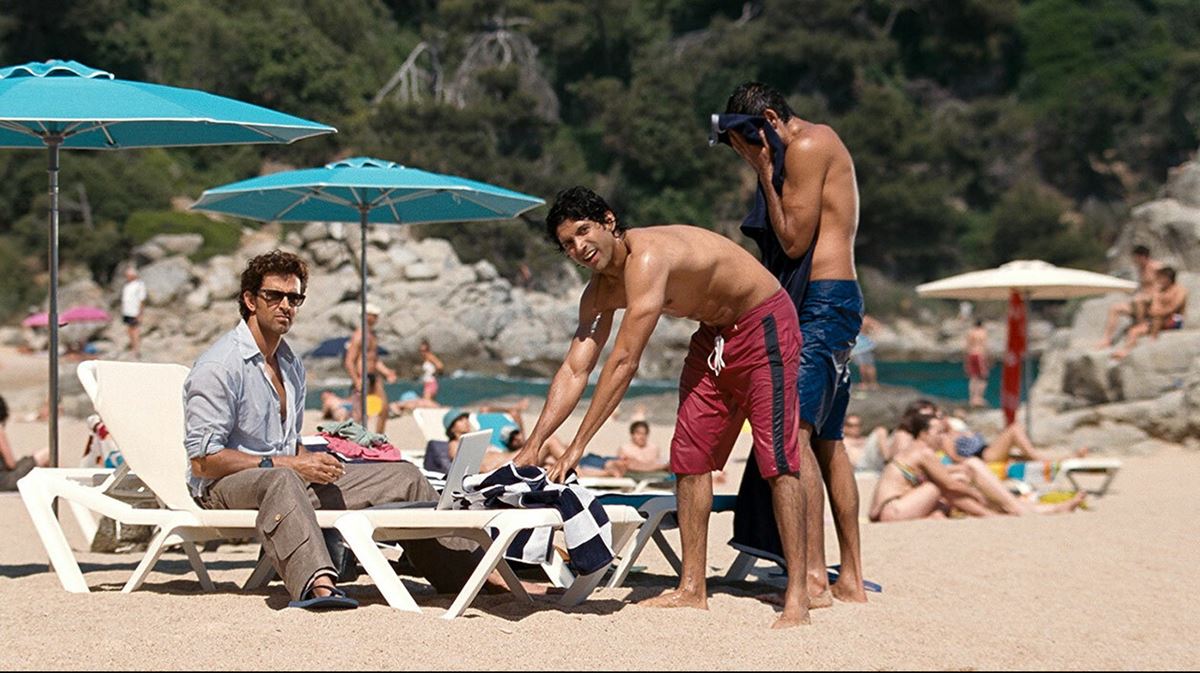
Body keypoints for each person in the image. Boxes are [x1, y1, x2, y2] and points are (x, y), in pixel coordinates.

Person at [511, 186, 812, 628]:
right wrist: (535, 444)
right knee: (689, 457)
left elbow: (624, 361)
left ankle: (798, 594)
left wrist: (578, 445)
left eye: (584, 231)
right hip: (713, 336)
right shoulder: (598, 293)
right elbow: (576, 368)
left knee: (778, 461)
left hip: (762, 320)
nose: (579, 247)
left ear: (609, 222)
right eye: (568, 243)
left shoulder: (647, 258)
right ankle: (692, 588)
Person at [184, 250, 486, 611]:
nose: (285, 306)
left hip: (283, 479)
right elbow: (204, 462)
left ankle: (468, 575)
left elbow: (286, 445)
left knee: (402, 475)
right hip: (222, 487)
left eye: (294, 298)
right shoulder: (219, 366)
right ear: (250, 300)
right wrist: (290, 464)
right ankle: (319, 586)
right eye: (274, 296)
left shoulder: (289, 363)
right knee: (283, 479)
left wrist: (314, 461)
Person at [721, 81, 866, 605]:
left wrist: (763, 171)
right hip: (836, 302)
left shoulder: (805, 145)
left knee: (795, 435)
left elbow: (793, 239)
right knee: (828, 441)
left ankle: (814, 578)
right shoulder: (820, 142)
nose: (747, 153)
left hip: (820, 303)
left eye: (747, 142)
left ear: (769, 122)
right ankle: (850, 577)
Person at [867, 412, 1084, 522]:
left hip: (893, 509)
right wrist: (975, 492)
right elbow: (949, 484)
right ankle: (1007, 511)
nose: (942, 437)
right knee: (947, 485)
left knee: (960, 476)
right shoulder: (922, 452)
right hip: (893, 511)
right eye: (938, 432)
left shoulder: (915, 451)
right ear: (923, 434)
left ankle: (1028, 510)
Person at [442, 401, 569, 473]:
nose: (466, 421)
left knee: (551, 461)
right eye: (460, 420)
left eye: (465, 418)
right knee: (549, 441)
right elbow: (464, 467)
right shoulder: (454, 444)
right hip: (502, 468)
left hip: (509, 460)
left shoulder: (476, 438)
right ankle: (577, 473)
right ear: (452, 428)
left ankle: (577, 474)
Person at [344, 303, 398, 434]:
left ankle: (379, 438)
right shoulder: (359, 336)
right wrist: (356, 380)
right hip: (362, 377)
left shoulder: (372, 336)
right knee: (360, 414)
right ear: (366, 316)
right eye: (374, 315)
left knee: (383, 409)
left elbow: (375, 360)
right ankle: (352, 438)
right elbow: (349, 361)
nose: (376, 318)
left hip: (374, 377)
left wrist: (387, 372)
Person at [1113, 266, 1188, 360]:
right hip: (1157, 319)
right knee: (1134, 331)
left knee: (1158, 317)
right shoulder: (1159, 290)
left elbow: (1173, 307)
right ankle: (1126, 350)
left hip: (1175, 319)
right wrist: (1153, 310)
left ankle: (1152, 340)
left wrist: (1158, 312)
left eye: (1162, 278)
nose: (1160, 280)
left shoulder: (1180, 290)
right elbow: (1154, 306)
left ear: (1169, 278)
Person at [1097, 245, 1164, 348]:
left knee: (1139, 300)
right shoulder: (1140, 269)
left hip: (1154, 302)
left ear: (1143, 257)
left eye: (1136, 258)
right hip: (1141, 303)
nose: (1135, 261)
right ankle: (1106, 338)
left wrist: (1153, 298)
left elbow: (1164, 286)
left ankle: (1141, 324)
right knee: (1115, 308)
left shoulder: (1157, 267)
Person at [0, 394, 49, 491]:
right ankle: (60, 484)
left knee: (34, 459)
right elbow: (11, 464)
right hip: (6, 481)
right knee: (48, 453)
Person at [120, 265, 147, 359]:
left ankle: (136, 349)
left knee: (135, 330)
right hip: (127, 311)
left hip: (134, 311)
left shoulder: (139, 285)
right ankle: (132, 347)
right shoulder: (127, 285)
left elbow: (142, 300)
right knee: (129, 329)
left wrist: (140, 313)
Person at [851, 314, 882, 391]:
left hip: (859, 347)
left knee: (863, 366)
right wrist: (871, 332)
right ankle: (873, 383)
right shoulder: (864, 319)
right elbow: (877, 326)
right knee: (869, 365)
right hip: (867, 345)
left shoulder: (857, 319)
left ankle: (865, 383)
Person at [965, 320, 990, 408]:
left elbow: (967, 346)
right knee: (983, 377)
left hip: (971, 354)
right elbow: (984, 346)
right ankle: (979, 398)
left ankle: (972, 399)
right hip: (980, 354)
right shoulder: (983, 332)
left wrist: (966, 361)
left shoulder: (970, 332)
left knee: (973, 377)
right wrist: (987, 359)